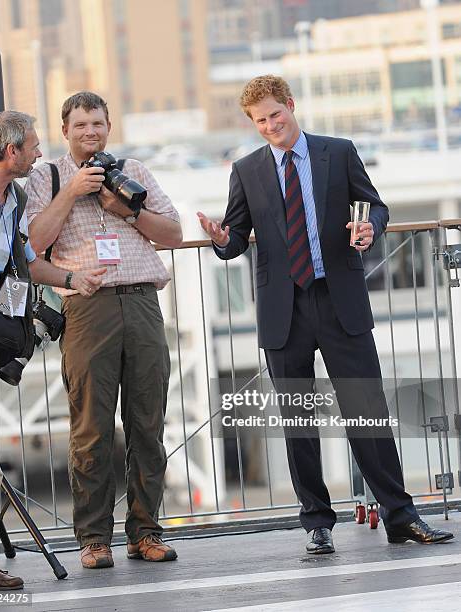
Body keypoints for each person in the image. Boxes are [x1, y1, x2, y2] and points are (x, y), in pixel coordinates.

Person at [198, 75, 453, 554]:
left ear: (291, 106)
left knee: (368, 414)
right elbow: (235, 241)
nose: (271, 125)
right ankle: (317, 523)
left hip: (339, 301)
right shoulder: (247, 170)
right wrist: (218, 237)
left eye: (277, 114)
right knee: (298, 421)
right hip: (283, 309)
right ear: (252, 124)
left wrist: (368, 230)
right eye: (261, 120)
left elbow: (376, 207)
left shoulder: (337, 152)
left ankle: (401, 517)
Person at [25, 92, 182, 569]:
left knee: (148, 424)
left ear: (109, 125)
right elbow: (31, 244)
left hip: (141, 302)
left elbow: (172, 234)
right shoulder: (45, 176)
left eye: (97, 123)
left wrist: (127, 211)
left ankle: (146, 532)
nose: (90, 132)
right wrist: (72, 191)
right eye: (80, 125)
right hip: (86, 308)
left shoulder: (133, 168)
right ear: (65, 130)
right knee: (91, 428)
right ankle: (93, 539)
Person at [0, 111, 105, 591]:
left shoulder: (16, 197)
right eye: (34, 147)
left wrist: (71, 280)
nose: (40, 153)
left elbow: (24, 262)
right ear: (11, 152)